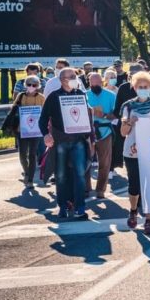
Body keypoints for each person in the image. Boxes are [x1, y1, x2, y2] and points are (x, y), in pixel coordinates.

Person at [39, 67, 95, 220]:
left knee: (80, 175)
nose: (74, 78)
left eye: (74, 75)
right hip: (60, 142)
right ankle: (63, 206)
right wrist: (46, 135)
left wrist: (91, 140)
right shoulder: (53, 96)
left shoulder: (81, 95)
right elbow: (43, 119)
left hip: (78, 142)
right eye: (71, 76)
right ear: (62, 80)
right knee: (61, 176)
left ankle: (80, 208)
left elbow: (88, 120)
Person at [120, 71, 150, 235]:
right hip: (131, 151)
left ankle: (149, 218)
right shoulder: (128, 106)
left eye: (146, 87)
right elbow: (123, 132)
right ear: (134, 87)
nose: (143, 89)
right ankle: (133, 210)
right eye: (140, 87)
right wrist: (130, 122)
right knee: (134, 184)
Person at [86, 73, 116, 198]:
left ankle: (100, 190)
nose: (95, 85)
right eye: (93, 84)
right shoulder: (84, 95)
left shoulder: (111, 95)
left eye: (98, 83)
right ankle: (86, 188)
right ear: (89, 83)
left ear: (102, 82)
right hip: (88, 133)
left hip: (105, 132)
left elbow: (116, 115)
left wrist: (103, 115)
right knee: (86, 161)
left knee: (104, 162)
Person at [15, 76, 46, 188]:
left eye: (34, 85)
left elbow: (45, 113)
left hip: (35, 131)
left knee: (32, 155)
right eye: (29, 84)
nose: (31, 87)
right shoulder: (20, 96)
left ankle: (30, 180)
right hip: (21, 130)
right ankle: (26, 173)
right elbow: (14, 110)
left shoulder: (42, 98)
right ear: (25, 85)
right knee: (23, 154)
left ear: (38, 86)